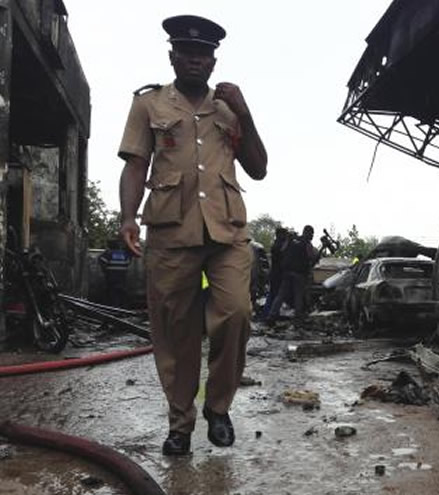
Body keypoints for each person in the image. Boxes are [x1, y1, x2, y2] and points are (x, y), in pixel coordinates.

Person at [117, 15, 268, 456]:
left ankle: (217, 409)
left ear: (214, 60)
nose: (195, 59)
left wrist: (245, 113)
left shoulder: (227, 110)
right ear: (173, 56)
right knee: (175, 331)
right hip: (170, 230)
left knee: (237, 312)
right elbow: (134, 164)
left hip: (228, 231)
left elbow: (258, 168)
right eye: (187, 52)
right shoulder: (149, 105)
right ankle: (181, 424)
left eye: (203, 54)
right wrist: (127, 217)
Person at [266, 225, 317, 321]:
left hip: (287, 272)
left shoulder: (291, 240)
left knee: (280, 295)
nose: (312, 236)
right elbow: (311, 257)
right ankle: (298, 316)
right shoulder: (307, 243)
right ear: (307, 233)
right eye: (312, 233)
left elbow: (282, 250)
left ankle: (272, 315)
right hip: (299, 274)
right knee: (298, 295)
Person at [97, 239, 132, 308]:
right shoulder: (124, 254)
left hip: (111, 276)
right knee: (121, 293)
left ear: (109, 246)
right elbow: (128, 263)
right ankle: (122, 308)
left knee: (111, 293)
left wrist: (105, 270)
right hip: (122, 277)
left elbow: (101, 260)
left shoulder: (108, 253)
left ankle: (113, 309)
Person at [266, 227, 289, 314]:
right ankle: (269, 314)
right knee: (274, 295)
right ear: (279, 235)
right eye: (284, 234)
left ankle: (271, 313)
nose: (285, 236)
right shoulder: (277, 246)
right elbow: (282, 252)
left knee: (274, 295)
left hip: (276, 273)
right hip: (276, 274)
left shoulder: (277, 244)